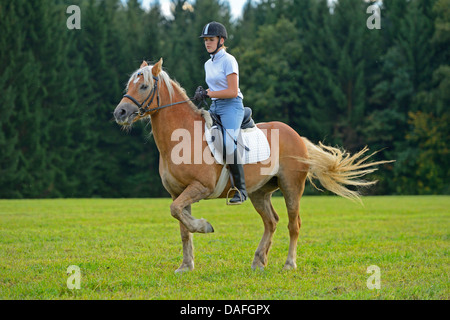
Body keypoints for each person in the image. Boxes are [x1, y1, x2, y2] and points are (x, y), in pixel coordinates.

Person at [195, 21, 247, 205]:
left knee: (227, 143)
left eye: (211, 39)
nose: (207, 43)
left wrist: (208, 93)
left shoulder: (229, 60)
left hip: (232, 106)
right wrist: (204, 95)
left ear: (221, 40)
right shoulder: (208, 64)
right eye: (205, 40)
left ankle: (241, 190)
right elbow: (215, 89)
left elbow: (232, 91)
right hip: (215, 107)